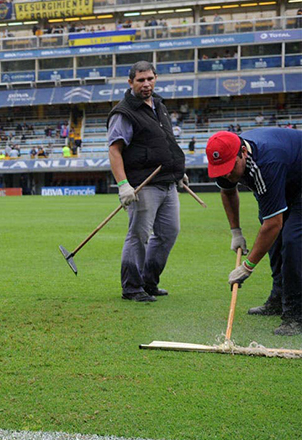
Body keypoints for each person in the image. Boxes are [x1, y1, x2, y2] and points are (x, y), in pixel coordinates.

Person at [206, 129, 302, 335]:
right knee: (273, 242)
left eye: (231, 168)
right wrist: (236, 232)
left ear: (243, 153)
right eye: (221, 170)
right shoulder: (226, 161)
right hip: (284, 178)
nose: (227, 175)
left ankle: (295, 314)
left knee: (293, 241)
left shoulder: (266, 163)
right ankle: (278, 298)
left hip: (298, 175)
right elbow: (228, 192)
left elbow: (273, 224)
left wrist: (247, 267)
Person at [107, 61, 186, 302]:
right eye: (140, 80)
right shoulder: (124, 112)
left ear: (156, 78)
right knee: (138, 235)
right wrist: (123, 185)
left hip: (167, 182)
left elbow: (166, 140)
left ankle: (149, 281)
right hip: (144, 185)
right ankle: (132, 287)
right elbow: (114, 150)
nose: (146, 84)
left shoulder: (159, 105)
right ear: (130, 82)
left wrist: (177, 169)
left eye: (150, 78)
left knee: (168, 233)